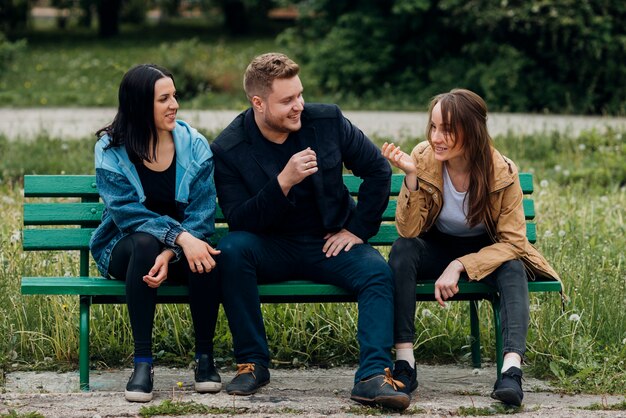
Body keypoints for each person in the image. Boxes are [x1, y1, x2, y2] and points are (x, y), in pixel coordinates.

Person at [211, 52, 410, 410]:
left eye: (299, 95)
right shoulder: (229, 148)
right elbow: (240, 219)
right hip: (270, 245)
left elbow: (377, 170)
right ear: (258, 102)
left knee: (377, 273)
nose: (298, 106)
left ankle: (372, 376)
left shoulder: (327, 120)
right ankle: (252, 363)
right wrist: (282, 183)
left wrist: (357, 229)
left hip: (329, 242)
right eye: (287, 100)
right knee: (233, 250)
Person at [382, 88, 561, 406]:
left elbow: (514, 243)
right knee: (402, 250)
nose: (437, 137)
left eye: (447, 129)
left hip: (487, 250)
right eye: (434, 127)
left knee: (513, 267)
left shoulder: (502, 171)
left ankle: (511, 372)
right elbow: (408, 231)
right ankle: (405, 364)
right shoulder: (424, 157)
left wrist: (460, 264)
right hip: (436, 245)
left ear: (472, 131)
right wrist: (410, 177)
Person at [89, 64, 222, 402]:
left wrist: (175, 249)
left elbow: (203, 214)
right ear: (139, 105)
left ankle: (205, 359)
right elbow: (127, 214)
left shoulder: (194, 145)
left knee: (205, 253)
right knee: (148, 243)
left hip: (178, 249)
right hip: (124, 248)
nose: (174, 104)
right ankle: (143, 364)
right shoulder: (111, 149)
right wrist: (180, 239)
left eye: (174, 95)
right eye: (164, 98)